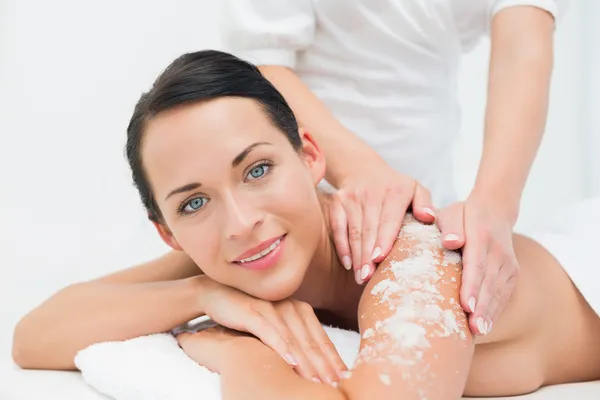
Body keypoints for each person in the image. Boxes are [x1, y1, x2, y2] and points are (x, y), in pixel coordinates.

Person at [14, 50, 600, 399]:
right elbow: (35, 336)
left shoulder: (416, 256)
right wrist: (203, 293)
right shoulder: (232, 255)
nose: (241, 221)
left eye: (259, 169)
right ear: (168, 232)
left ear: (311, 158)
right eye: (193, 203)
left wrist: (237, 353)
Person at [220, 0, 570, 335]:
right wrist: (360, 172)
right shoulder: (248, 235)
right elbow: (263, 61)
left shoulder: (428, 276)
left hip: (426, 218)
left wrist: (494, 206)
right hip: (316, 207)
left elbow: (523, 46)